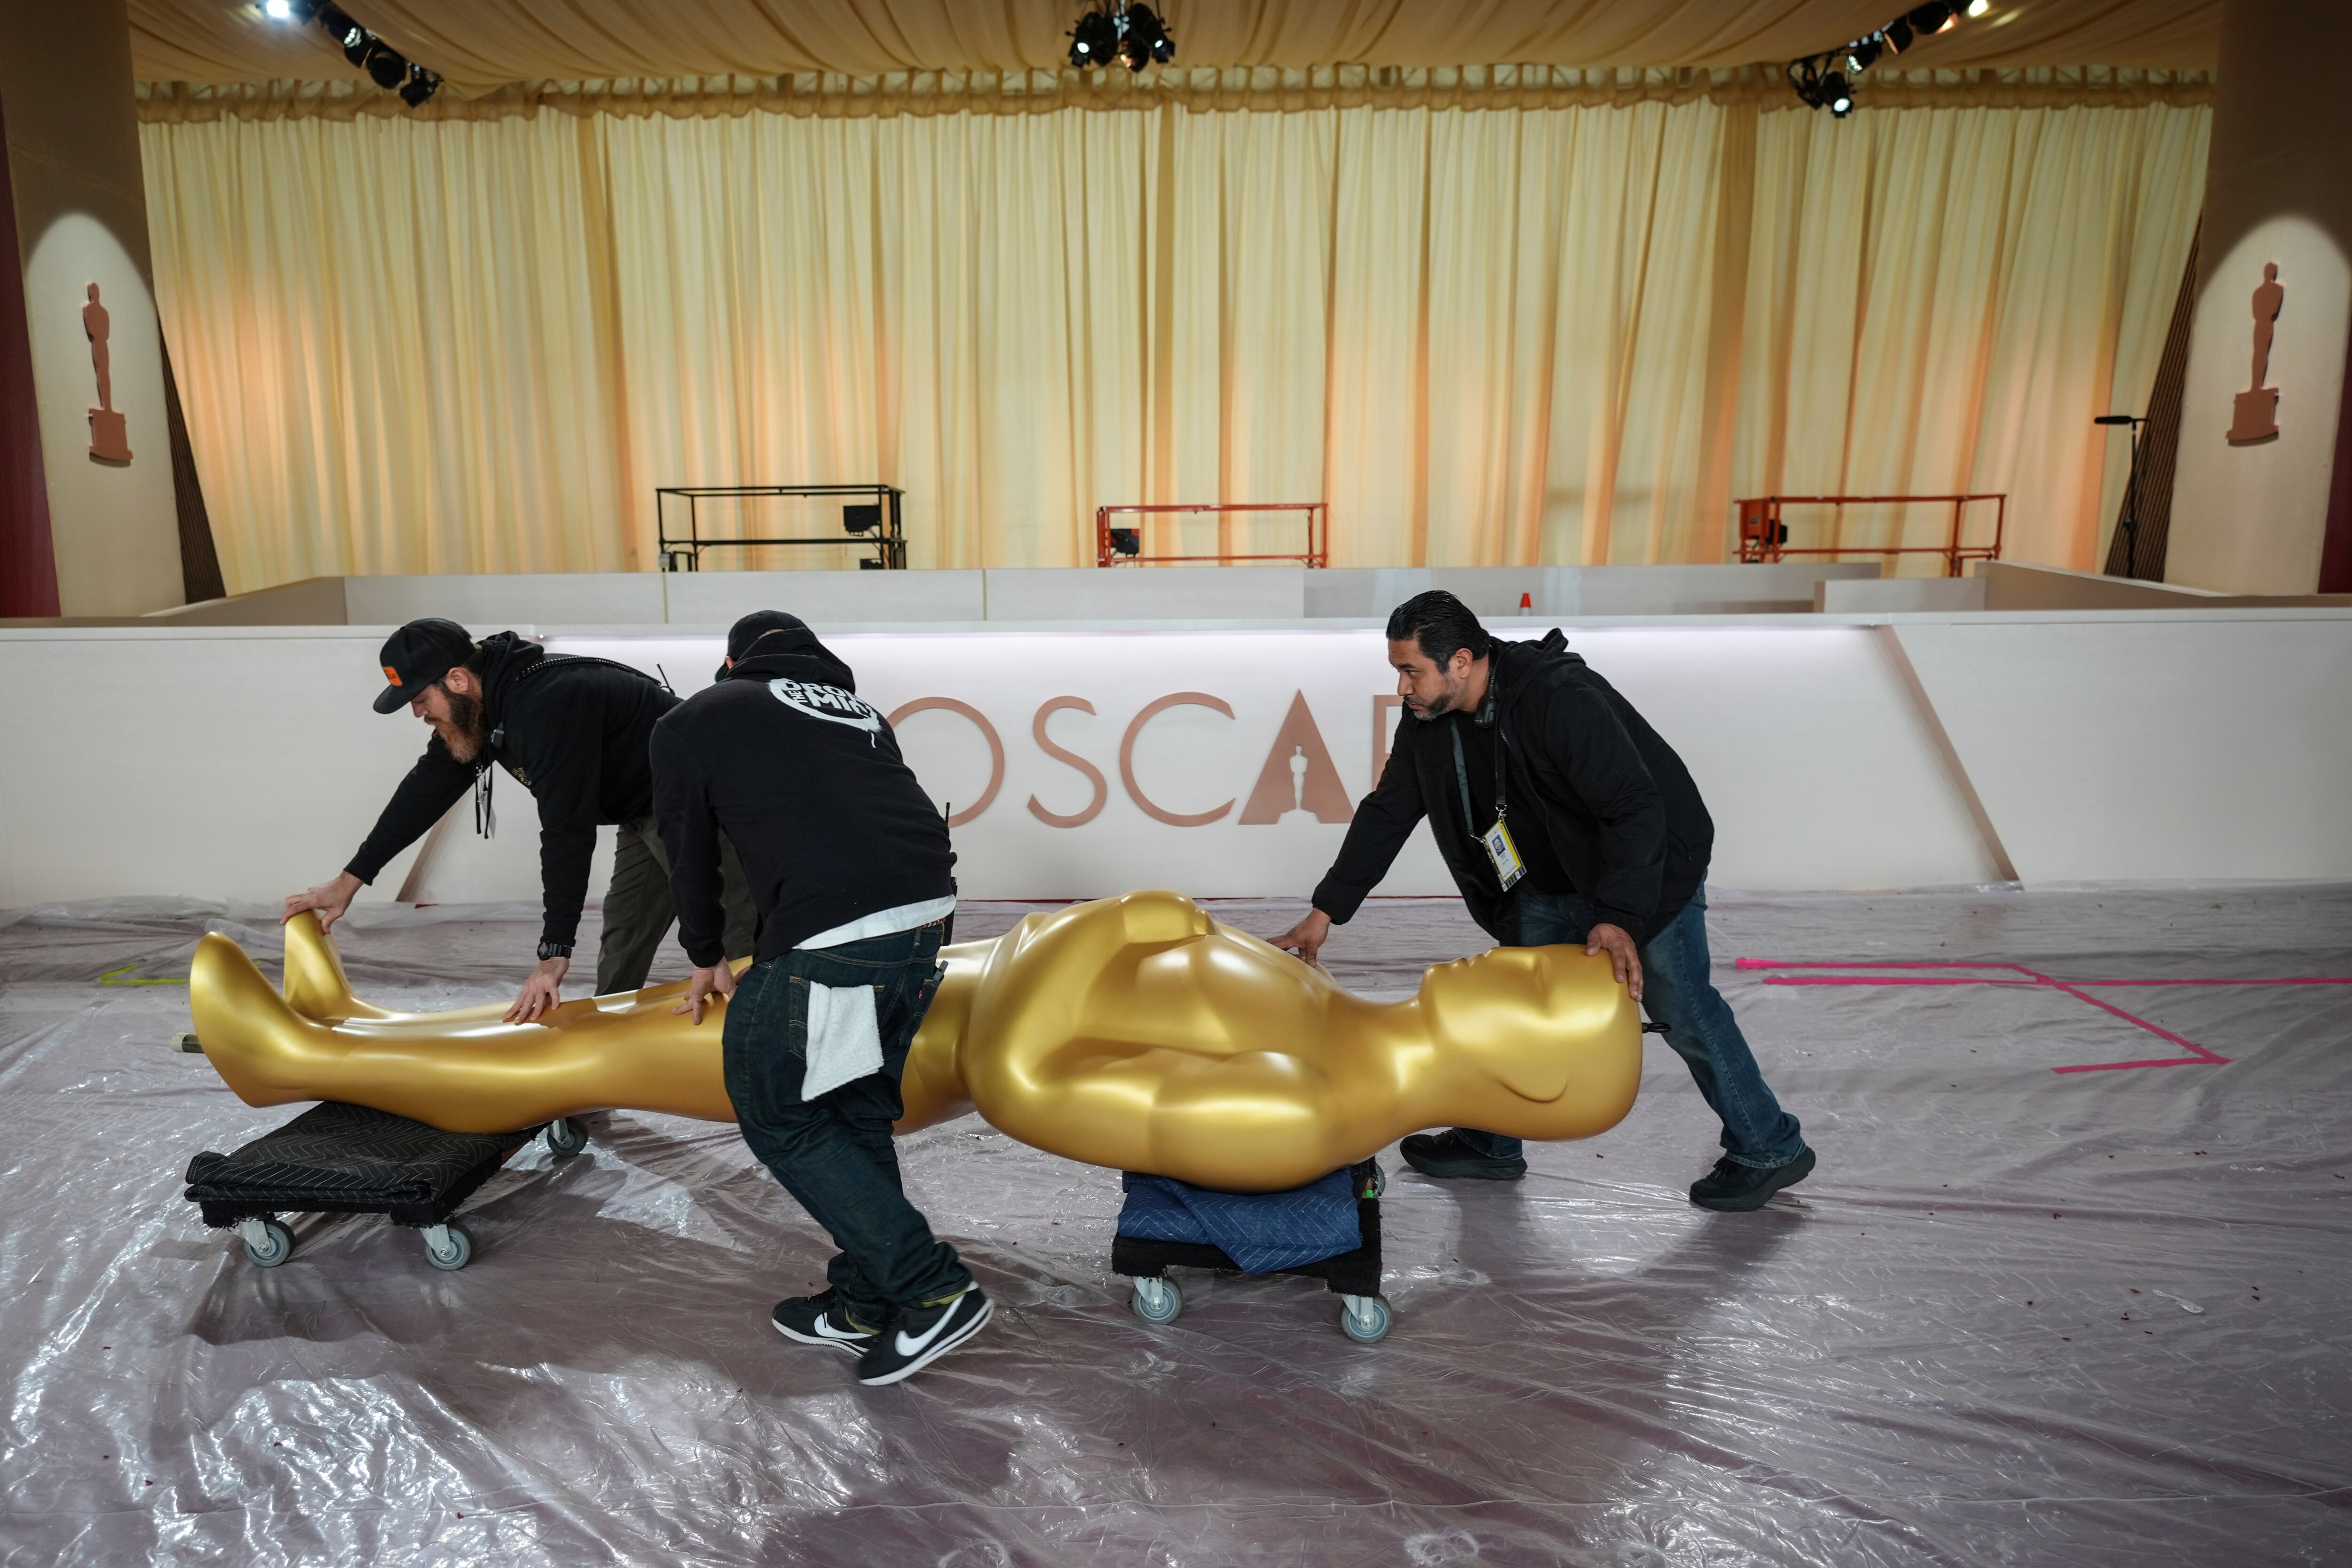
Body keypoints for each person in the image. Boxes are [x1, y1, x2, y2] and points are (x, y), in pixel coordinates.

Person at [1271, 591, 1814, 1211]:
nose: (1402, 688)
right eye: (1398, 670)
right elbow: (1391, 810)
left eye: (1411, 670)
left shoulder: (1560, 700)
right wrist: (1326, 912)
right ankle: (1492, 1142)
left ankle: (1768, 1146)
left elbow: (1637, 809)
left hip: (1648, 868)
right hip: (1545, 880)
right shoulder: (1429, 719)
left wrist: (1620, 918)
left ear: (1463, 662)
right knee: (1513, 1005)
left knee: (1679, 1002)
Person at [655, 611, 987, 1386]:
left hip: (842, 929)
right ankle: (865, 1301)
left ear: (731, 661)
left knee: (776, 1101)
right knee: (851, 1105)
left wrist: (705, 952)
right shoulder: (860, 713)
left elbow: (688, 848)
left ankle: (930, 1285)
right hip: (926, 914)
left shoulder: (693, 719)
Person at [283, 617, 753, 1022]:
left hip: (702, 802)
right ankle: (602, 1054)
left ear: (458, 681)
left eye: (421, 699)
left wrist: (552, 956)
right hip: (643, 806)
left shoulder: (547, 704)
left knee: (735, 935)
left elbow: (567, 830)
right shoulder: (486, 709)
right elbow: (423, 793)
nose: (418, 712)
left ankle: (769, 1045)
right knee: (625, 933)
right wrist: (351, 880)